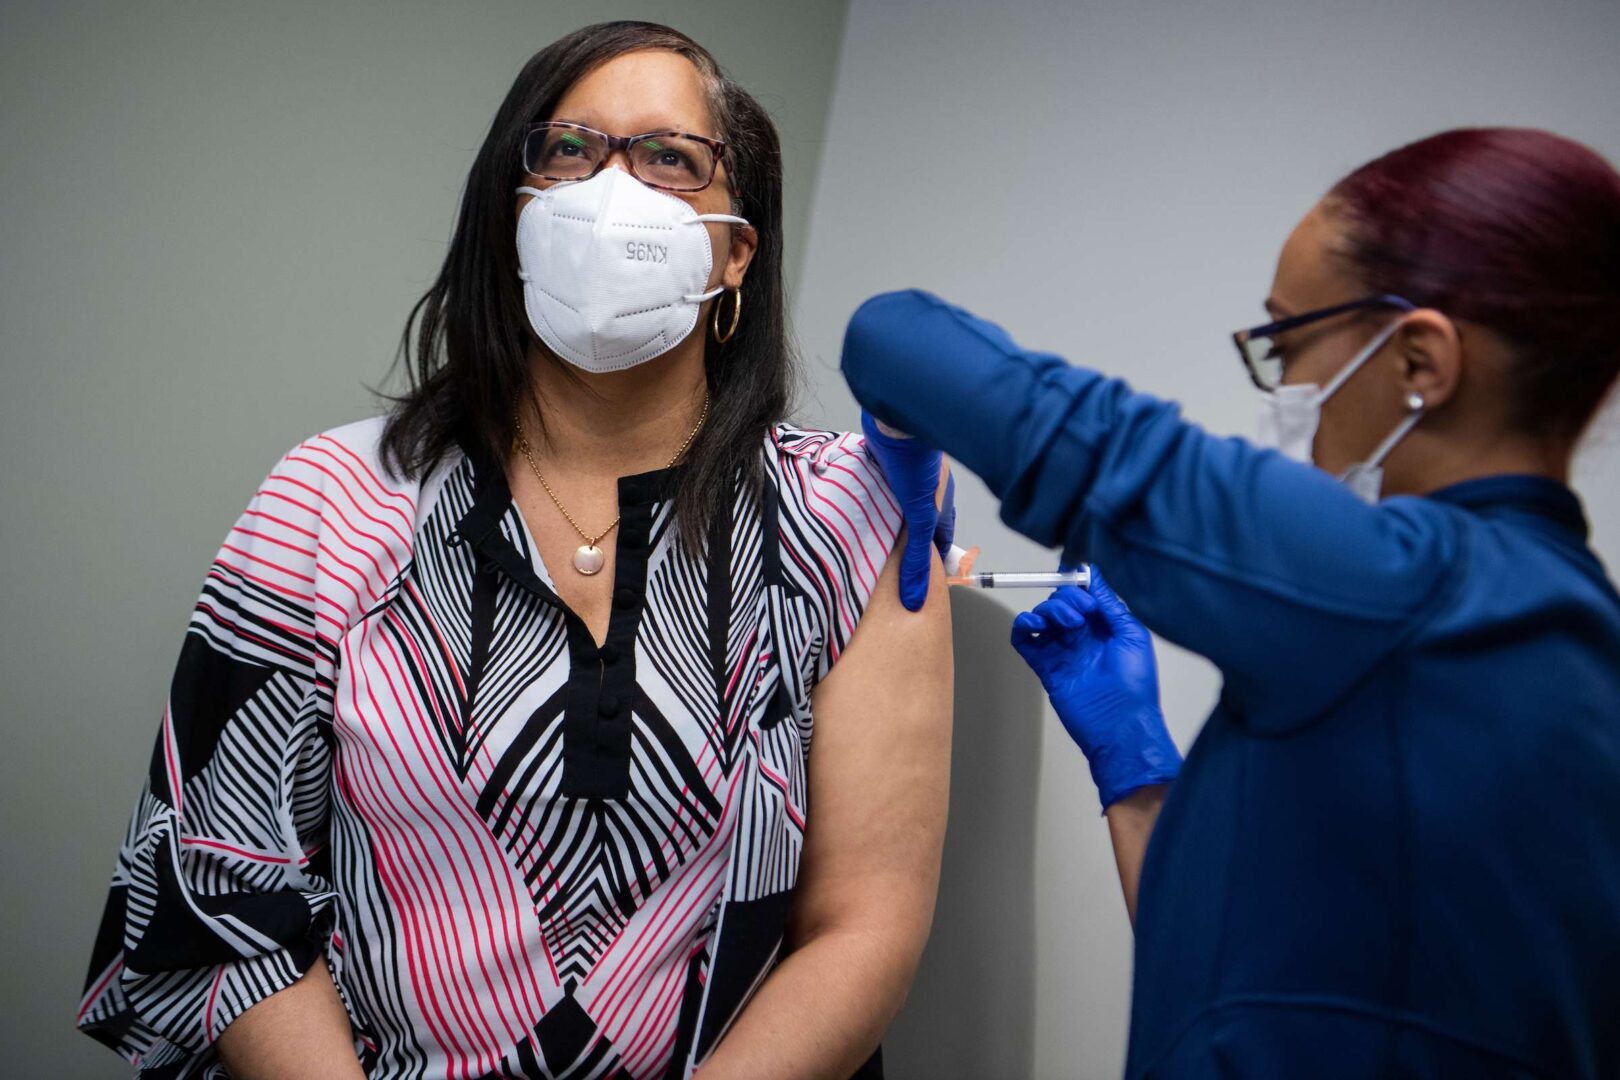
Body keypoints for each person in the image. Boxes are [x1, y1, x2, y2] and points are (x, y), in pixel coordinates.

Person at [77, 22, 952, 1080]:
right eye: (568, 149)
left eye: (669, 156)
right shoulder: (328, 500)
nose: (609, 188)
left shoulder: (849, 520)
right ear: (513, 217)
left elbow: (865, 929)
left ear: (735, 250)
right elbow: (221, 891)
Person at [847, 127, 1620, 1078]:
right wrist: (1137, 770)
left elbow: (898, 337)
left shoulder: (1403, 587)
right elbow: (1267, 977)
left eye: (1287, 341)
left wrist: (898, 421)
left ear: (1420, 362)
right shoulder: (1574, 640)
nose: (1284, 389)